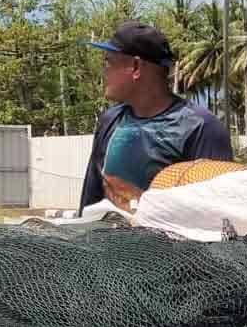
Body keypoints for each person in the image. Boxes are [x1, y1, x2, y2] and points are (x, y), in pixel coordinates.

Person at [78, 21, 233, 212]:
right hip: (106, 241)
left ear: (135, 67)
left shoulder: (201, 128)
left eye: (109, 62)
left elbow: (216, 216)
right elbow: (90, 206)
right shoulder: (110, 121)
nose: (104, 72)